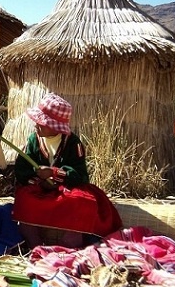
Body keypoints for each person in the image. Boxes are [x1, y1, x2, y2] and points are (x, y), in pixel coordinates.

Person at [12, 93, 122, 249]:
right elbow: (21, 170)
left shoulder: (73, 143)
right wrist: (38, 180)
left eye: (41, 122)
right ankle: (35, 246)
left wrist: (54, 173)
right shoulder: (33, 140)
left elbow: (81, 176)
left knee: (82, 201)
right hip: (39, 187)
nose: (36, 124)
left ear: (55, 126)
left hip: (66, 188)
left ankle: (70, 246)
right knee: (24, 198)